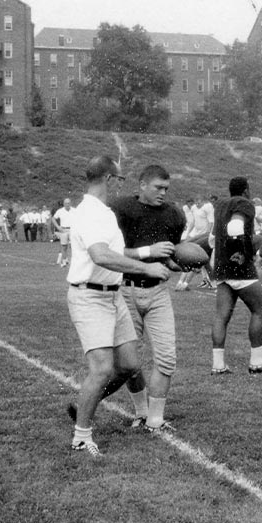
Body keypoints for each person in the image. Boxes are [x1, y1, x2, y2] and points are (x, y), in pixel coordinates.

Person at [63, 157, 170, 456]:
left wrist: (149, 253)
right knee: (101, 370)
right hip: (90, 297)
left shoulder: (103, 212)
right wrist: (145, 269)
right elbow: (100, 255)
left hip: (112, 295)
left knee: (129, 365)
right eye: (120, 179)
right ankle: (81, 436)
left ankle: (85, 408)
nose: (121, 185)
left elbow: (115, 251)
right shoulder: (90, 212)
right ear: (109, 179)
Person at [108, 164, 185, 432]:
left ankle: (155, 418)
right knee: (129, 361)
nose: (163, 193)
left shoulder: (174, 214)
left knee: (166, 358)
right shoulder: (121, 209)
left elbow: (168, 257)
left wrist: (180, 264)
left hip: (158, 292)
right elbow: (110, 253)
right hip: (126, 290)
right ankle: (141, 411)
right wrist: (146, 251)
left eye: (166, 188)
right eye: (158, 188)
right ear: (142, 185)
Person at [209, 177, 262, 375]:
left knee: (221, 316)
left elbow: (212, 237)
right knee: (259, 310)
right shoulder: (245, 203)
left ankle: (218, 365)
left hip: (221, 266)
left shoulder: (221, 204)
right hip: (239, 266)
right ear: (247, 190)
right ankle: (256, 362)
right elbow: (235, 227)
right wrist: (239, 249)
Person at [53, 198, 74, 266]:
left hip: (72, 230)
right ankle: (64, 261)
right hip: (63, 230)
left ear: (70, 203)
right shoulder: (60, 211)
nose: (67, 204)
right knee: (64, 246)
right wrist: (58, 227)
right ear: (64, 204)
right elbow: (53, 219)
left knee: (73, 246)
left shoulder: (74, 210)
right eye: (66, 203)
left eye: (68, 203)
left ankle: (71, 261)